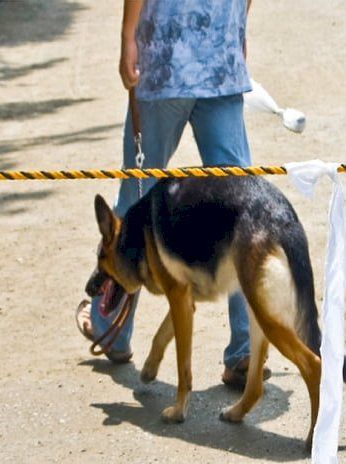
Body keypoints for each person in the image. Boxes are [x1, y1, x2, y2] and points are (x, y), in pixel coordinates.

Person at [80, 0, 269, 390]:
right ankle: (245, 349)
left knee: (136, 199)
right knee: (240, 207)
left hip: (166, 57)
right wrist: (238, 29)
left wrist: (127, 36)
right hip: (220, 57)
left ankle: (111, 329)